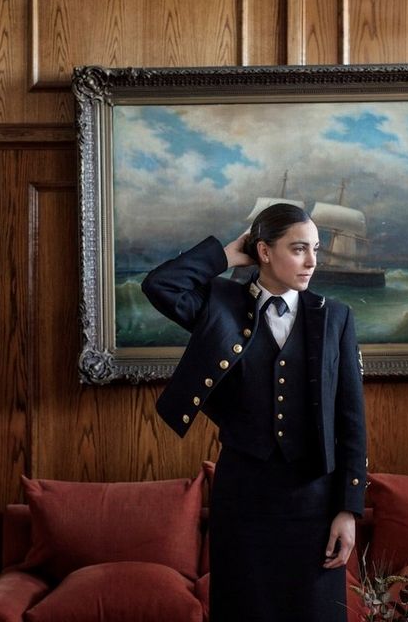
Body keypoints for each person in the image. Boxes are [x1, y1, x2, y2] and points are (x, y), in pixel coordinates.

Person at [141, 203, 367, 622]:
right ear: (264, 251)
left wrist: (348, 510)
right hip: (243, 500)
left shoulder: (334, 317)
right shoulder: (220, 304)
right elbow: (161, 285)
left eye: (315, 248)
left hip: (314, 503)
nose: (313, 261)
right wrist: (225, 256)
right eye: (299, 249)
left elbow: (351, 422)